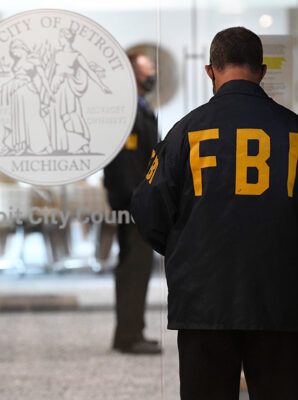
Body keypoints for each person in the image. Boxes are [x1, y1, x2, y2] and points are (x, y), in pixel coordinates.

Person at [131, 27, 298, 398]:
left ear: (210, 72)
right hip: (282, 300)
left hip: (204, 301)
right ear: (262, 72)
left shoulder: (185, 134)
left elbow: (148, 210)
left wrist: (185, 250)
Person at [103, 52, 160, 354]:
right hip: (132, 204)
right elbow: (125, 165)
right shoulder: (125, 111)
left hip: (139, 201)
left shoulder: (140, 108)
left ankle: (132, 331)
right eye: (147, 70)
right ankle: (128, 336)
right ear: (132, 74)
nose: (152, 74)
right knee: (133, 269)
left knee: (138, 268)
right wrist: (135, 201)